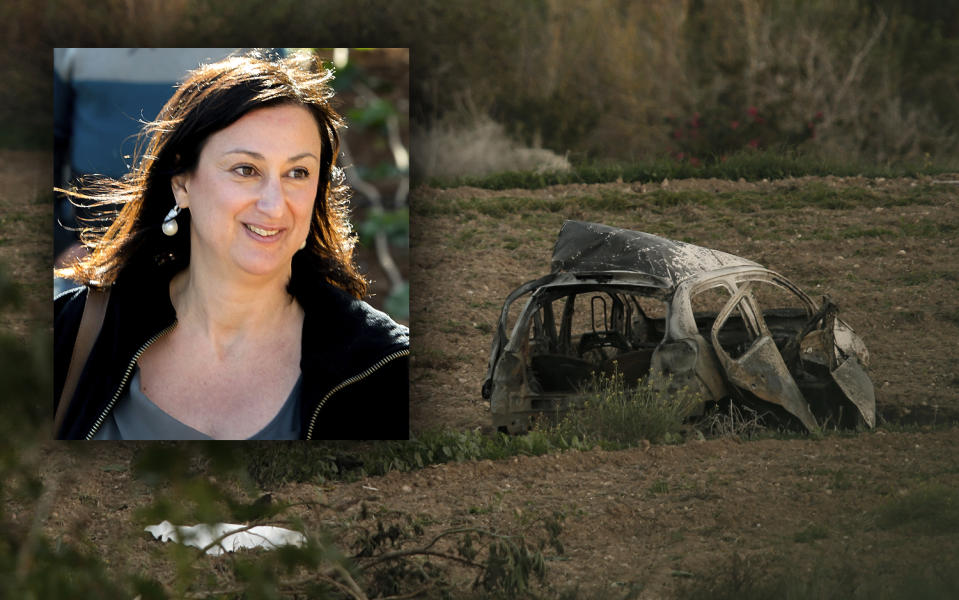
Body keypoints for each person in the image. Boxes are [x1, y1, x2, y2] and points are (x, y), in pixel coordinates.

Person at [53, 52, 410, 440]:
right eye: (246, 170)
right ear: (182, 183)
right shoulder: (72, 333)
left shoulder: (385, 366)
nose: (275, 205)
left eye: (298, 173)